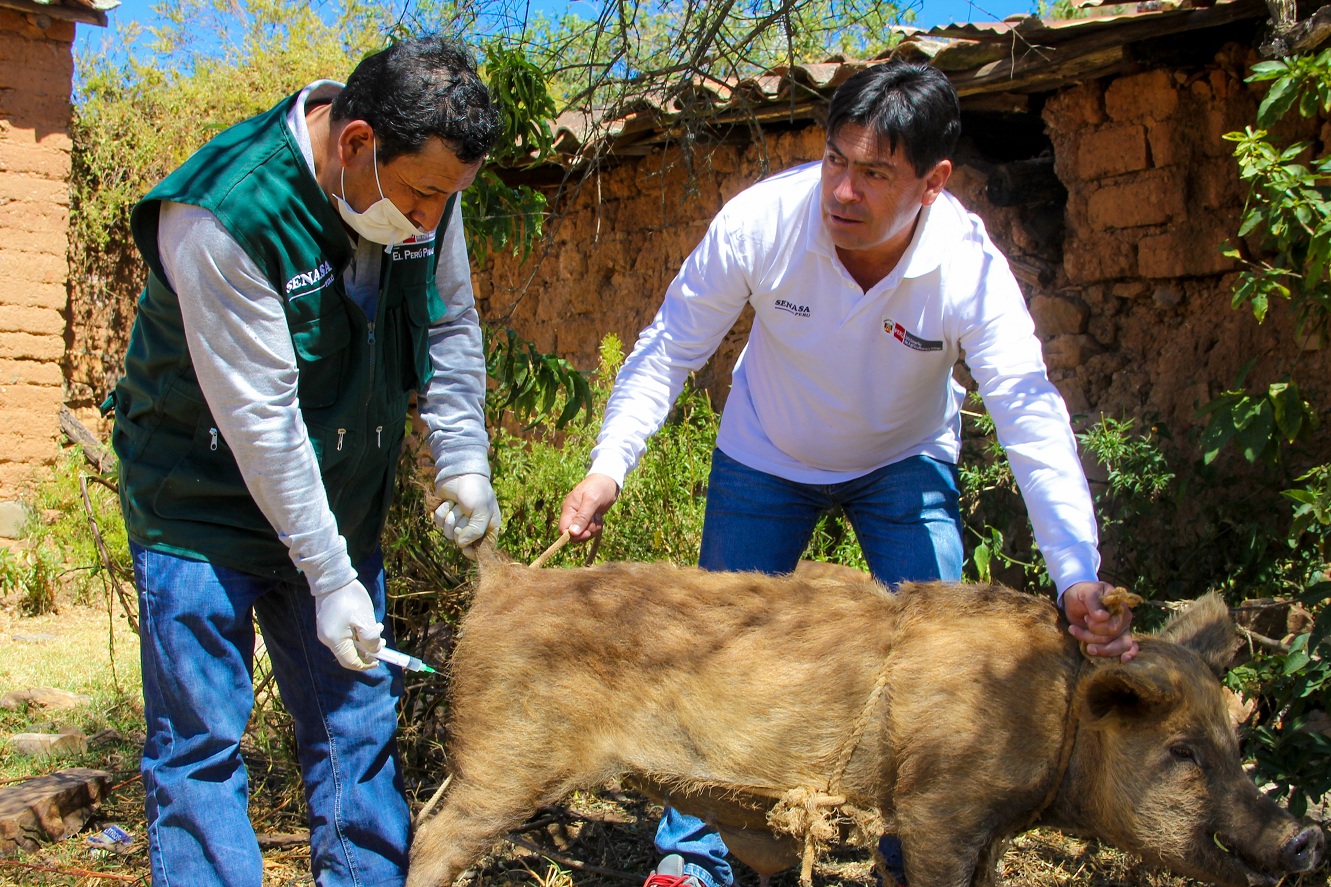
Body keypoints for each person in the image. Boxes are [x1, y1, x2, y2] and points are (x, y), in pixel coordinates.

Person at [559, 60, 1138, 887]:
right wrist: (607, 467)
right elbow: (668, 348)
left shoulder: (968, 270)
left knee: (943, 667)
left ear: (933, 182)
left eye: (874, 174)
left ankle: (917, 855)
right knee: (717, 656)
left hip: (903, 461)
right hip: (765, 453)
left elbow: (1027, 410)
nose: (842, 191)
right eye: (836, 159)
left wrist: (1075, 573)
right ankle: (693, 857)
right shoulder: (759, 224)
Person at [104, 36, 502, 887]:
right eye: (423, 194)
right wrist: (328, 578)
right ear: (356, 143)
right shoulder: (225, 215)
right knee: (201, 746)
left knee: (356, 731)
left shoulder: (427, 189)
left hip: (340, 500)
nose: (432, 219)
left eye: (447, 198)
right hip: (201, 504)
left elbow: (449, 324)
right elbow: (263, 420)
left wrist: (463, 454)